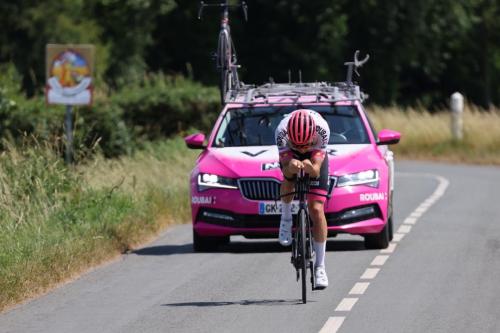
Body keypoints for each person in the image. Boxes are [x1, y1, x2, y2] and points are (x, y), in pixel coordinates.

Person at [275, 109, 331, 289]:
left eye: (304, 145)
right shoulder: (281, 132)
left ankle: (320, 267)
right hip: (288, 155)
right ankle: (285, 218)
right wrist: (291, 166)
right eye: (297, 145)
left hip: (315, 156)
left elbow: (315, 169)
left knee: (316, 209)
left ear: (313, 136)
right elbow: (285, 169)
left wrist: (310, 166)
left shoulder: (323, 130)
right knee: (288, 179)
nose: (302, 149)